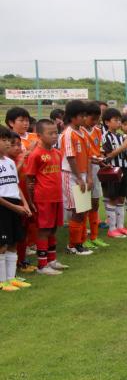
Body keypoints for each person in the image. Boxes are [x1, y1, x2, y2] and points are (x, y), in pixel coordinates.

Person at [24, 119, 68, 275]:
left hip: (57, 197)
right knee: (43, 230)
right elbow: (29, 178)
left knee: (53, 229)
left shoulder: (57, 152)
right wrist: (30, 201)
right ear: (39, 135)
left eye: (56, 132)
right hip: (43, 198)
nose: (54, 136)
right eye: (50, 133)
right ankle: (42, 265)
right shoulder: (36, 154)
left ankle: (52, 260)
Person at [0, 127, 33, 291]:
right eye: (4, 140)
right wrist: (15, 207)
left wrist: (25, 204)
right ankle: (2, 281)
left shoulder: (10, 162)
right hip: (4, 207)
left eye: (8, 140)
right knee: (2, 244)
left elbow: (15, 185)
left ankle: (11, 278)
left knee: (13, 242)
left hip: (15, 205)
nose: (7, 143)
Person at [60, 100, 93, 255]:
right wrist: (79, 178)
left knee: (84, 208)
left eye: (85, 115)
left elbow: (88, 156)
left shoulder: (83, 133)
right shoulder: (68, 134)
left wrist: (89, 177)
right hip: (71, 175)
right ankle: (73, 245)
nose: (84, 119)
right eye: (81, 116)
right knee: (76, 210)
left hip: (83, 175)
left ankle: (80, 242)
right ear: (73, 117)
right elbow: (71, 157)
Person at [101, 108, 127, 239]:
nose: (119, 123)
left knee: (121, 198)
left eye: (120, 120)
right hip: (112, 171)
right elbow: (107, 156)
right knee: (112, 198)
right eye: (116, 120)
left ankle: (120, 226)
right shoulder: (105, 137)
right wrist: (123, 147)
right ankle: (112, 228)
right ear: (107, 122)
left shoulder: (121, 137)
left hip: (124, 169)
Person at [82, 101, 109, 249]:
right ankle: (83, 238)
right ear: (84, 116)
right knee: (82, 206)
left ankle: (94, 236)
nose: (95, 122)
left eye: (97, 119)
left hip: (95, 169)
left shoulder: (98, 131)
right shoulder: (79, 131)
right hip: (82, 171)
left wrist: (101, 160)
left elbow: (98, 150)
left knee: (95, 203)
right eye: (93, 119)